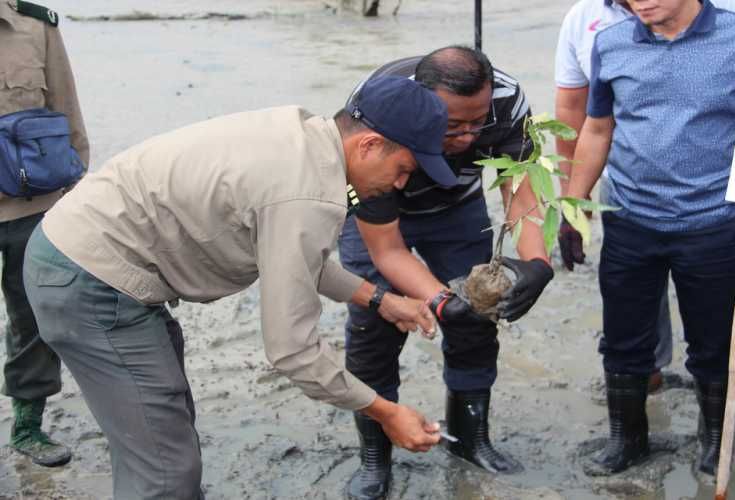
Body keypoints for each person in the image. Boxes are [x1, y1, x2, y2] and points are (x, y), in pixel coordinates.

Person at [23, 76, 449, 499]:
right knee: (166, 471)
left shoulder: (303, 136)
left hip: (80, 253)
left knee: (160, 429)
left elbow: (292, 258)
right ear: (370, 145)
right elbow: (292, 351)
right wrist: (385, 411)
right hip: (90, 281)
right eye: (403, 170)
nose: (399, 185)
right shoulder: (306, 196)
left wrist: (379, 299)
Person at [562, 0, 735, 475]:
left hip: (712, 223)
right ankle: (627, 440)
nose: (639, 2)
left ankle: (714, 441)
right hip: (629, 220)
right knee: (625, 341)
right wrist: (574, 207)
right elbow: (597, 128)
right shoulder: (610, 43)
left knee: (714, 344)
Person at [341, 46, 554, 499]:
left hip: (457, 208)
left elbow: (521, 186)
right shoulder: (379, 114)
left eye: (477, 123)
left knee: (478, 318)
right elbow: (388, 249)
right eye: (453, 125)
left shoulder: (508, 101)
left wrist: (537, 263)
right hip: (377, 208)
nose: (467, 136)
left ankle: (470, 438)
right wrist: (439, 300)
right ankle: (375, 457)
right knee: (373, 327)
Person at [0, 0, 89, 467]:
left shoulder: (36, 26)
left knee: (34, 315)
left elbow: (66, 108)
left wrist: (77, 190)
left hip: (29, 203)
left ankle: (28, 427)